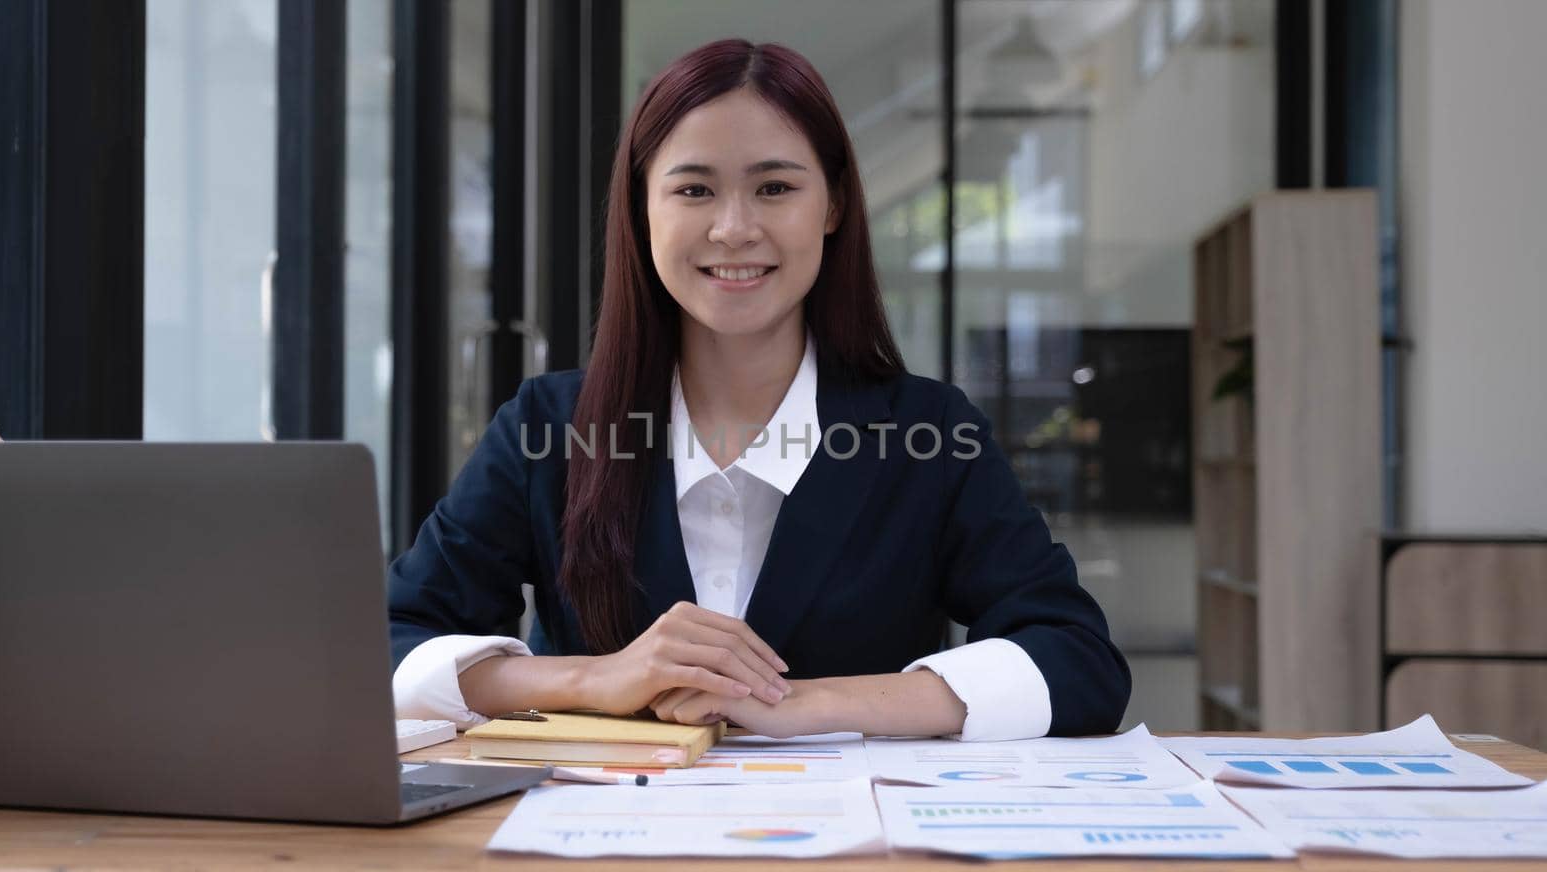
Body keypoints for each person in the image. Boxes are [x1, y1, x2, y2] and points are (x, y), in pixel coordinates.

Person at [387, 38, 1129, 741]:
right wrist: (596, 678)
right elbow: (390, 643)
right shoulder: (549, 427)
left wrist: (806, 702)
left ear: (832, 206)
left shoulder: (929, 433)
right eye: (694, 189)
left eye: (774, 187)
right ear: (644, 208)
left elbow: (1077, 660)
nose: (733, 228)